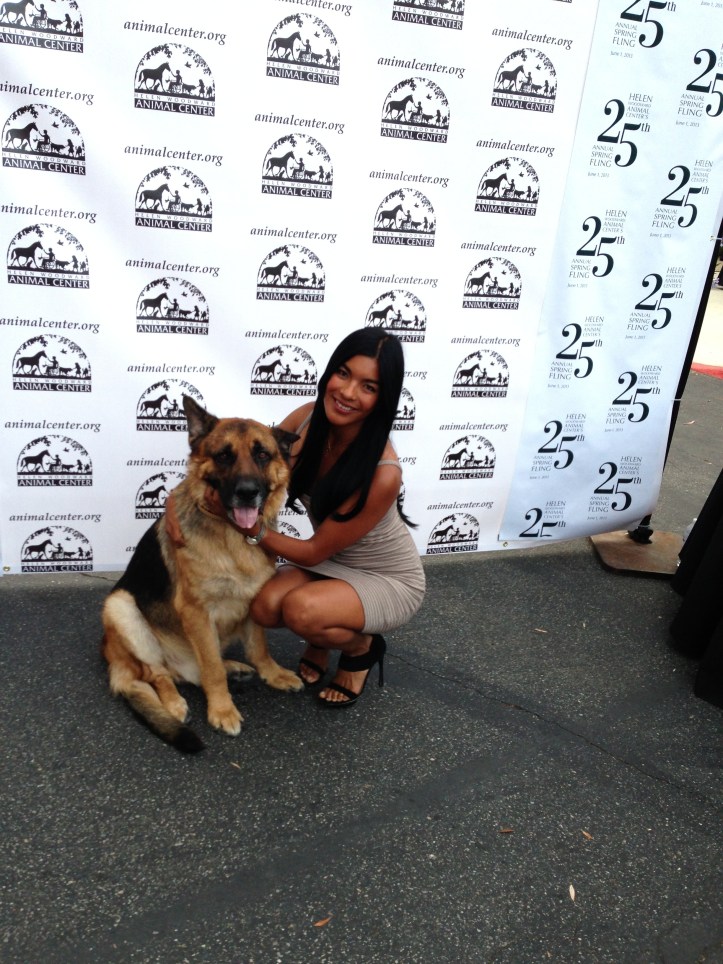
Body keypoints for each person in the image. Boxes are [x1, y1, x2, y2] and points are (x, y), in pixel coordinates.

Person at [239, 328, 426, 707]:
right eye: (343, 373)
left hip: (387, 578)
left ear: (383, 398)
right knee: (261, 604)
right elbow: (246, 456)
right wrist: (184, 500)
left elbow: (309, 553)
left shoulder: (383, 471)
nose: (347, 392)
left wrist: (249, 527)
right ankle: (322, 640)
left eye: (368, 387)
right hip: (332, 560)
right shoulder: (307, 420)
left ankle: (361, 649)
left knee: (300, 611)